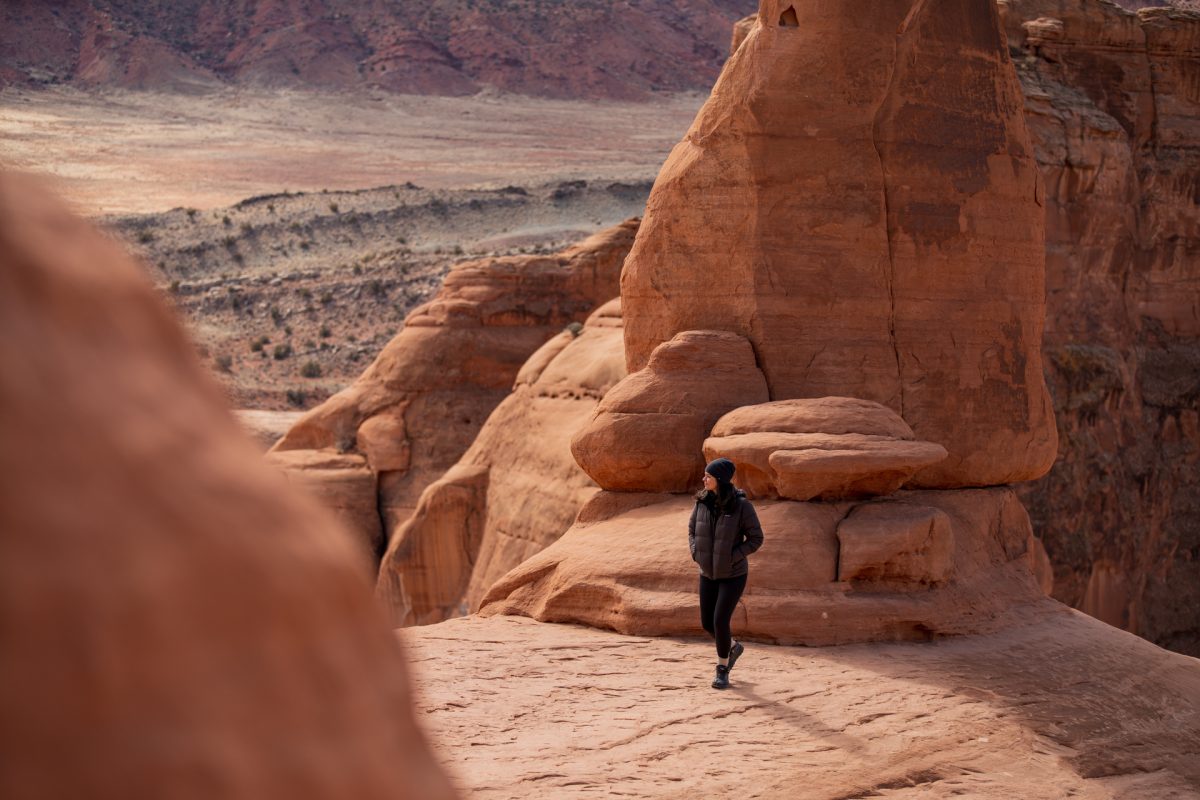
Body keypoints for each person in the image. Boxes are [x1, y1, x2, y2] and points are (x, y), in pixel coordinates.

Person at [688, 457, 764, 690]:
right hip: (707, 572)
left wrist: (733, 556)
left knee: (720, 620)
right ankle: (732, 647)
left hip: (733, 574)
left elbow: (756, 538)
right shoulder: (702, 501)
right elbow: (692, 529)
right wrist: (696, 552)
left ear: (719, 479)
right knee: (707, 623)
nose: (704, 479)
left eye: (708, 476)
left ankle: (722, 669)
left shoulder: (741, 506)